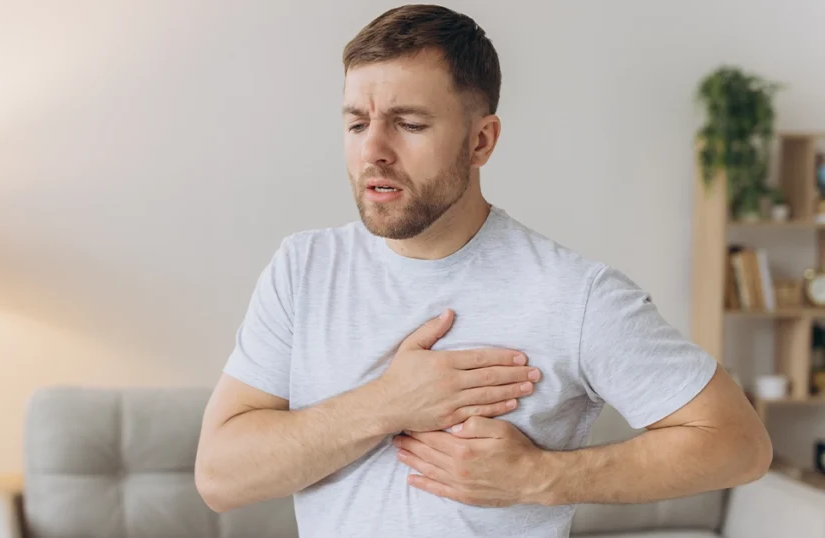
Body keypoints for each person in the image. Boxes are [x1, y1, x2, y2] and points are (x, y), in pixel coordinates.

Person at [195, 4, 772, 536]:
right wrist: (388, 403)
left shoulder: (573, 295)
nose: (373, 150)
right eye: (356, 124)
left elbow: (740, 444)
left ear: (481, 141)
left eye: (409, 124)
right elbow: (220, 478)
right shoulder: (304, 269)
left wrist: (542, 477)